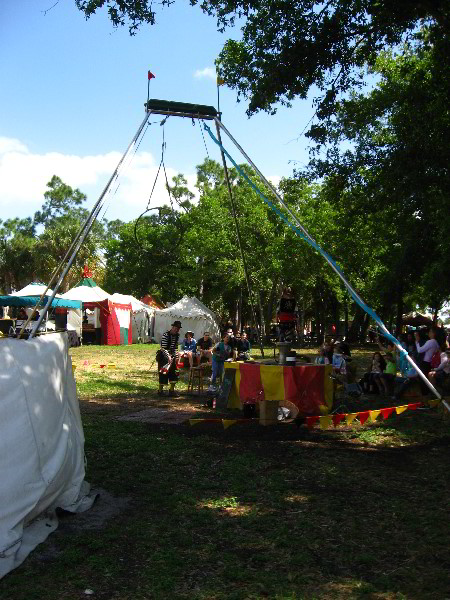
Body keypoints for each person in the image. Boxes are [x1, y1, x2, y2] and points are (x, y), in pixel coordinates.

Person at [157, 320, 182, 397]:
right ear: (173, 327)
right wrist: (168, 357)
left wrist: (176, 357)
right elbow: (163, 348)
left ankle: (172, 390)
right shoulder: (166, 335)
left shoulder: (177, 335)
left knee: (175, 372)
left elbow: (175, 348)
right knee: (163, 372)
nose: (177, 330)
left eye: (178, 328)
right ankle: (160, 391)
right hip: (164, 356)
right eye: (176, 328)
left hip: (172, 355)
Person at [415, 327, 440, 393]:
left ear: (434, 334)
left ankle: (425, 397)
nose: (429, 333)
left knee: (423, 380)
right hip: (430, 363)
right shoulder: (436, 342)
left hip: (425, 363)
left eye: (430, 332)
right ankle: (428, 395)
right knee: (426, 379)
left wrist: (417, 341)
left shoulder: (431, 341)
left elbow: (420, 350)